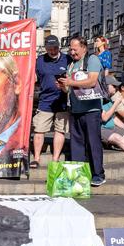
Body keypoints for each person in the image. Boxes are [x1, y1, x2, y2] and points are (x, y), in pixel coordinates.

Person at [57, 36, 105, 187]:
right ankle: (78, 177)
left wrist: (71, 82)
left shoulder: (92, 60)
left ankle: (98, 174)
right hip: (75, 109)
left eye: (74, 49)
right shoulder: (71, 65)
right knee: (76, 145)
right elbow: (69, 89)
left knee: (93, 143)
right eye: (70, 49)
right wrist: (63, 86)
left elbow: (92, 81)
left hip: (91, 109)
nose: (72, 52)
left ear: (84, 47)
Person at [31, 35, 72, 168]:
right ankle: (36, 158)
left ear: (59, 47)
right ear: (45, 48)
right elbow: (34, 77)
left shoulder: (67, 59)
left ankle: (55, 159)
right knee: (39, 129)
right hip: (45, 100)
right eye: (49, 48)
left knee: (60, 130)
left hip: (62, 100)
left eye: (54, 48)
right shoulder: (40, 60)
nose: (52, 51)